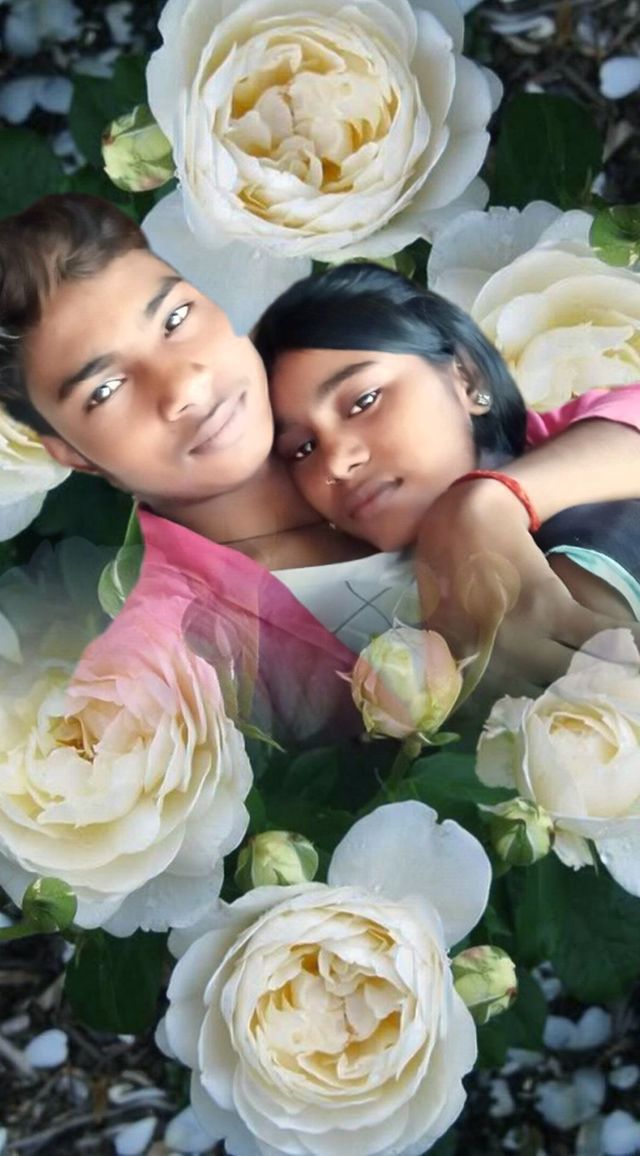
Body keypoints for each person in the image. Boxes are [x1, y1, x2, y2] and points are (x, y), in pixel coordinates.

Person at [0, 195, 636, 713]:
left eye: (174, 319)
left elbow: (595, 410)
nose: (184, 386)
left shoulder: (331, 372)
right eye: (105, 389)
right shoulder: (165, 667)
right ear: (72, 454)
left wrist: (487, 504)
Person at [253, 262, 640, 691]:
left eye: (364, 401)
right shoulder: (338, 629)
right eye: (303, 448)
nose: (337, 464)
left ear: (466, 377)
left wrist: (481, 502)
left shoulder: (578, 440)